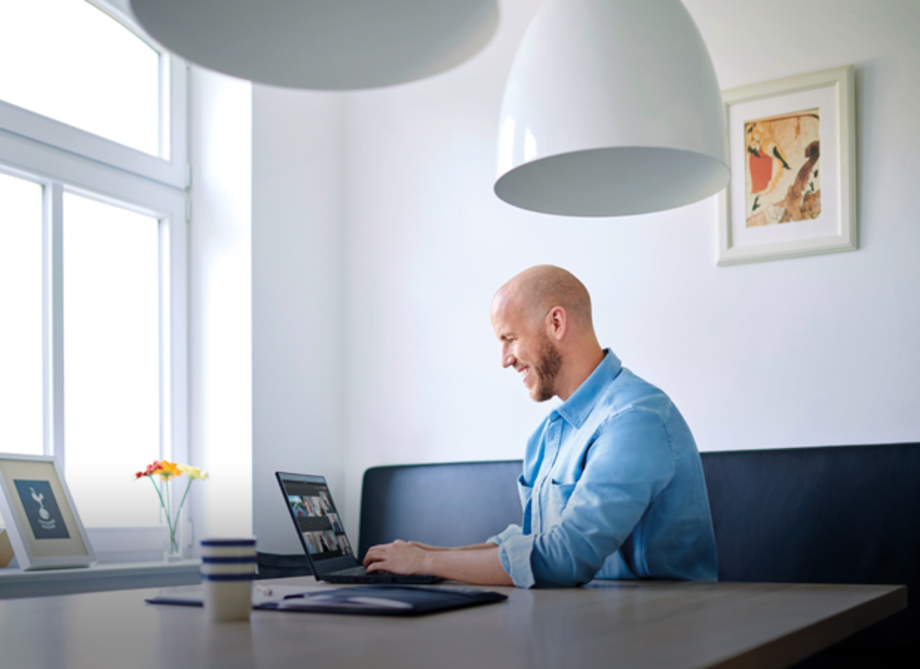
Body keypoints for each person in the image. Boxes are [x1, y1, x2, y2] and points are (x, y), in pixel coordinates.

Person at [363, 265, 718, 587]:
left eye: (510, 338)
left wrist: (429, 561)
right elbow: (535, 541)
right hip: (584, 620)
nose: (504, 360)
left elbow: (564, 558)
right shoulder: (549, 435)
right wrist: (429, 557)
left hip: (659, 631)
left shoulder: (635, 419)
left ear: (556, 324)